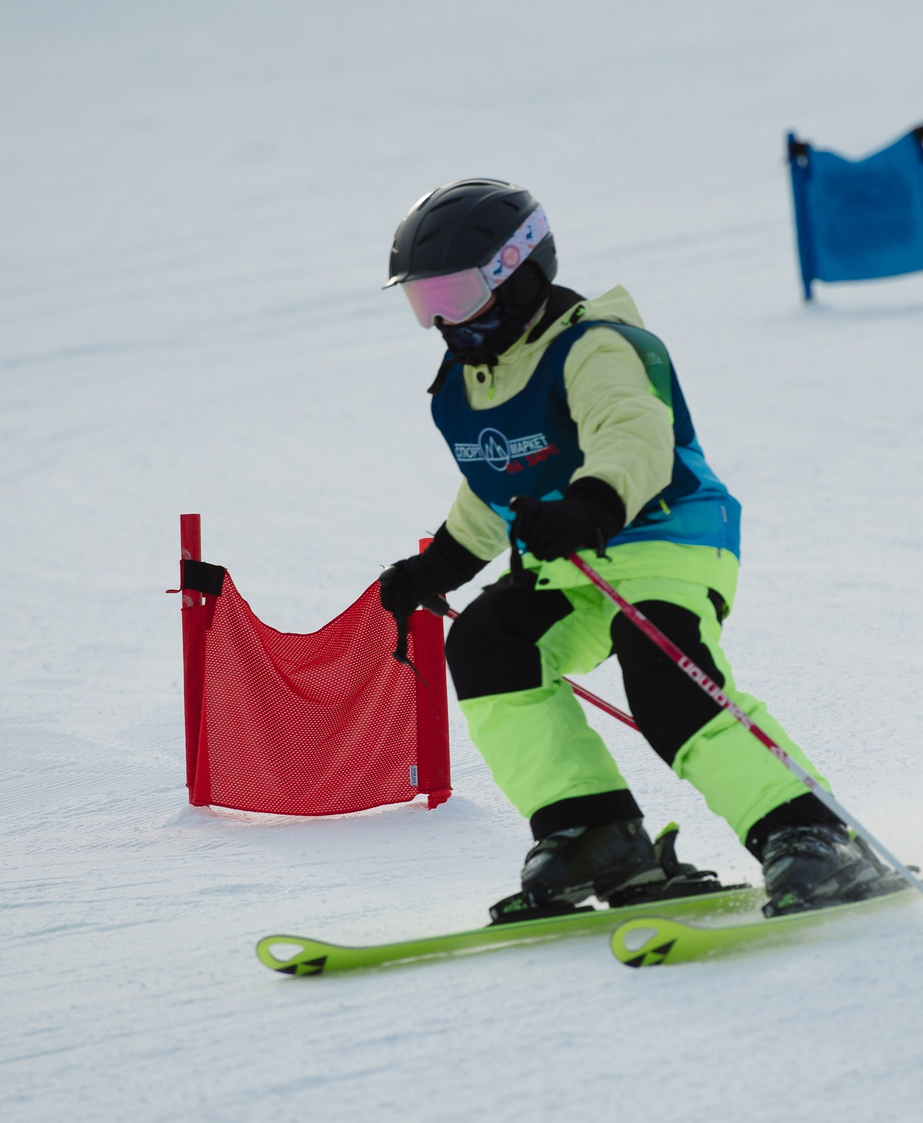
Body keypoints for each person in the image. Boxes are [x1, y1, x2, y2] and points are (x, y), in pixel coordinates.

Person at [375, 179, 889, 922]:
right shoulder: (467, 383)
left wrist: (594, 502)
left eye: (456, 293)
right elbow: (493, 484)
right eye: (425, 302)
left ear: (520, 271)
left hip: (666, 536)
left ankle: (807, 832)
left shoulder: (596, 345)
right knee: (487, 642)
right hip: (569, 563)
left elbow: (633, 435)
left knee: (662, 668)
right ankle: (591, 830)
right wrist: (441, 565)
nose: (444, 321)